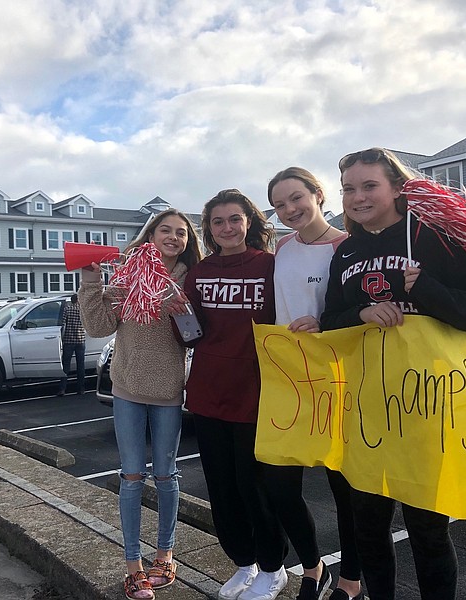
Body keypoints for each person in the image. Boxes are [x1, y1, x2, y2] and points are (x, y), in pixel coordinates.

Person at [320, 147, 466, 600]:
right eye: (348, 188)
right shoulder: (346, 253)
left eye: (369, 186)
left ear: (398, 188)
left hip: (426, 409)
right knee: (368, 527)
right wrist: (362, 312)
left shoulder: (431, 238)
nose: (357, 197)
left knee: (427, 529)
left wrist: (424, 287)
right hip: (367, 412)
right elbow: (330, 322)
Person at [77, 208, 202, 600]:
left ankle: (165, 555)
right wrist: (91, 282)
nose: (174, 237)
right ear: (150, 234)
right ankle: (133, 566)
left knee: (166, 475)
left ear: (188, 241)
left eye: (181, 232)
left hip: (168, 389)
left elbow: (197, 335)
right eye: (166, 230)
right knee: (131, 477)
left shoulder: (191, 278)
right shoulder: (129, 276)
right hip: (127, 387)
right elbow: (98, 328)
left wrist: (181, 310)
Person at [182, 189, 289, 600]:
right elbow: (191, 333)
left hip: (257, 393)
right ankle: (243, 562)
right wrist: (172, 311)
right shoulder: (200, 273)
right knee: (221, 486)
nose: (227, 228)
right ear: (209, 229)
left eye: (235, 219)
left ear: (249, 222)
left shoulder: (271, 267)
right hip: (208, 392)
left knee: (255, 486)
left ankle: (273, 567)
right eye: (218, 221)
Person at [266, 167, 362, 600]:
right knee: (281, 485)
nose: (289, 210)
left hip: (340, 377)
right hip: (289, 377)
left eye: (296, 198)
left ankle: (351, 580)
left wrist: (323, 324)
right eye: (279, 205)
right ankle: (313, 566)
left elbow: (362, 310)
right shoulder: (282, 246)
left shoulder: (348, 246)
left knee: (345, 488)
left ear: (318, 194)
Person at [58, 293, 86, 396]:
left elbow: (63, 324)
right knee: (81, 366)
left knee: (66, 366)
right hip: (80, 339)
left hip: (69, 340)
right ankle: (81, 389)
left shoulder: (67, 309)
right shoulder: (82, 311)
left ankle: (62, 389)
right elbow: (86, 324)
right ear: (78, 300)